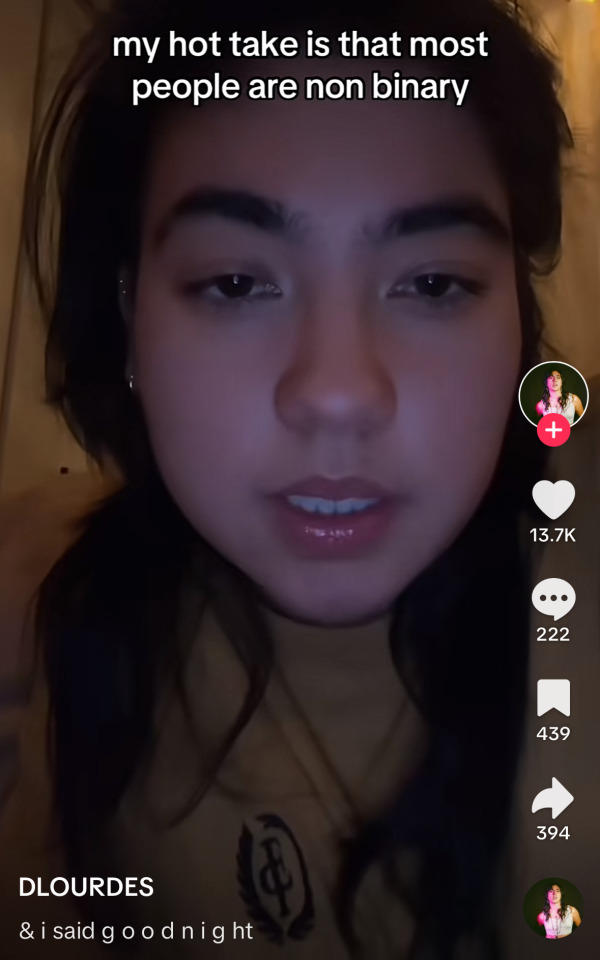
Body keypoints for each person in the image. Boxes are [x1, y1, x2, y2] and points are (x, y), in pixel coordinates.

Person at [0, 0, 575, 958]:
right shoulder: (45, 612)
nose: (339, 394)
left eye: (432, 282)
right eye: (236, 283)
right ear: (130, 317)